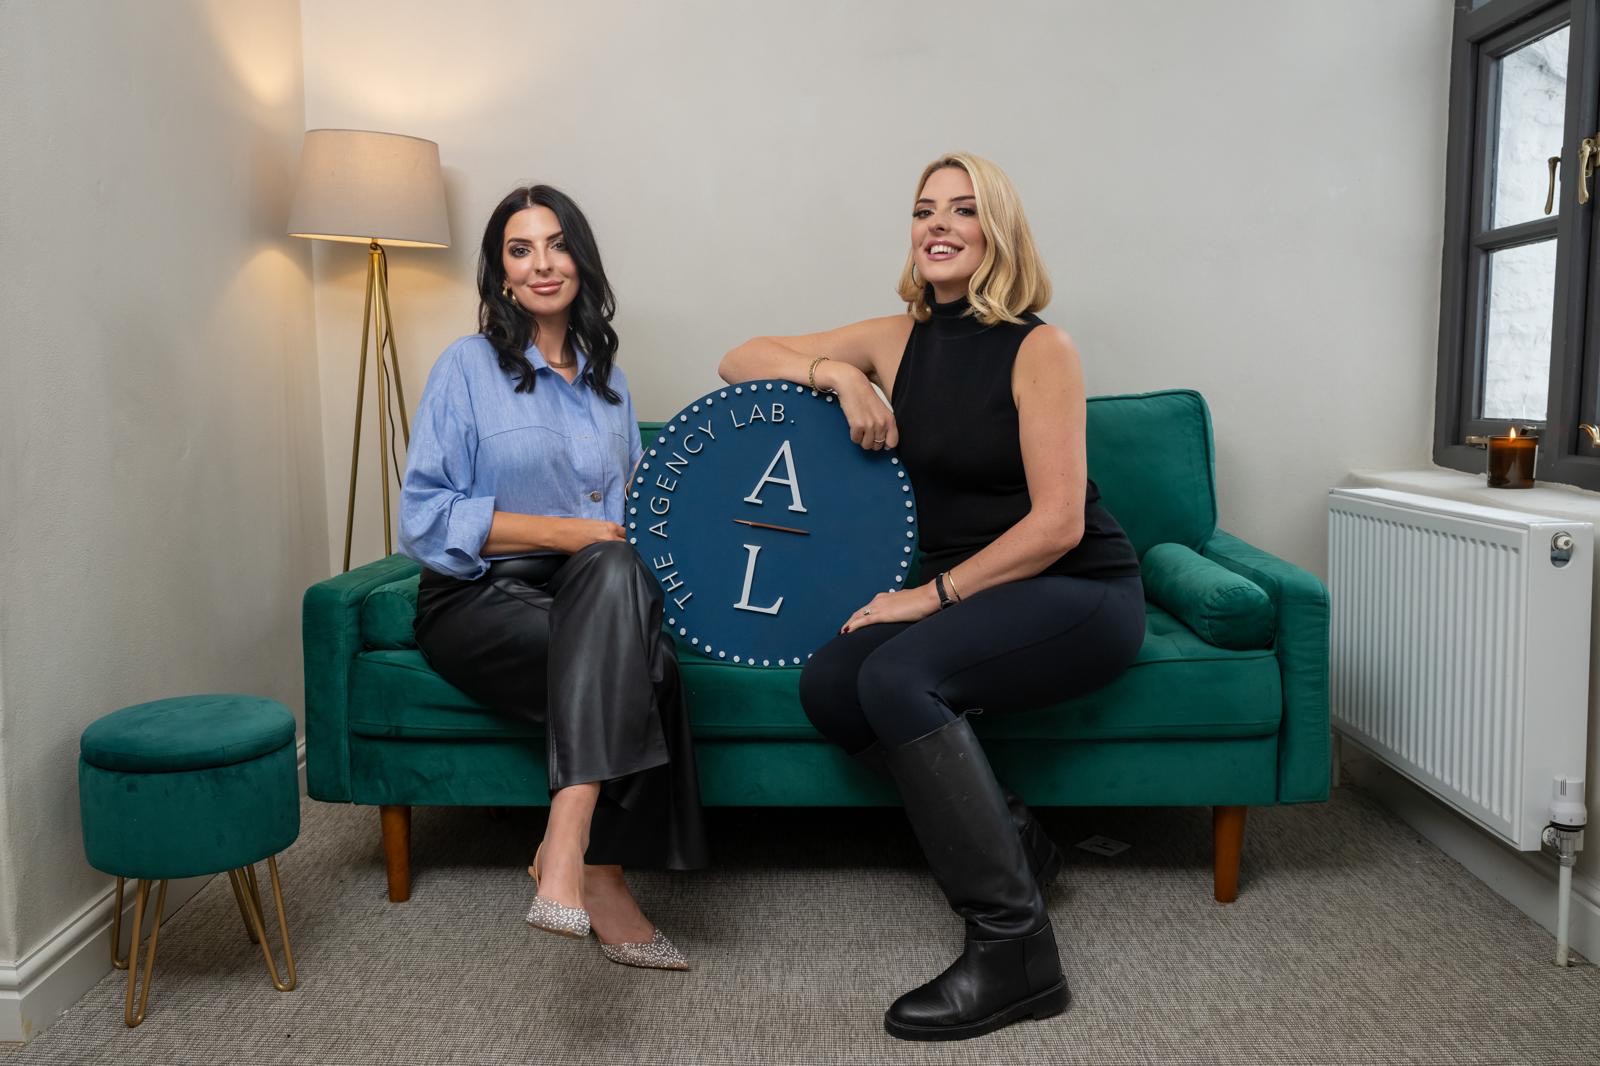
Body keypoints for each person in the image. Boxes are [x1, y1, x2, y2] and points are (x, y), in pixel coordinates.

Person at [719, 153, 1144, 1039]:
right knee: (831, 682)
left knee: (895, 675)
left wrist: (930, 595)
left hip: (1076, 590)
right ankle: (1016, 839)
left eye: (963, 209)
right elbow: (740, 358)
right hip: (978, 598)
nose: (939, 224)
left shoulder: (1041, 349)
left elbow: (1059, 523)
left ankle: (1016, 950)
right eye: (924, 210)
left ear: (999, 232)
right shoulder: (896, 339)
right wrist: (839, 376)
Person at [400, 184, 706, 971]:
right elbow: (425, 519)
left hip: (591, 588)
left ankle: (569, 852)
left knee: (613, 570)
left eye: (557, 244)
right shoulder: (467, 367)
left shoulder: (610, 381)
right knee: (649, 663)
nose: (542, 263)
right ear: (501, 274)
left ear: (581, 261)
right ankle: (591, 866)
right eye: (520, 249)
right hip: (478, 595)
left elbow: (635, 514)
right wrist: (563, 532)